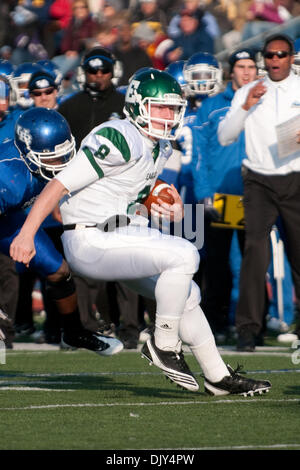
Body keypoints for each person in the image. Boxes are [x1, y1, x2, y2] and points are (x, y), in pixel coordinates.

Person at [10, 68, 271, 396]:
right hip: (90, 238)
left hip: (120, 233)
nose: (168, 115)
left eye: (172, 108)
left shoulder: (158, 146)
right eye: (159, 107)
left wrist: (160, 192)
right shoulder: (119, 135)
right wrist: (26, 233)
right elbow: (59, 185)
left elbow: (129, 182)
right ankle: (163, 344)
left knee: (187, 294)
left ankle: (218, 377)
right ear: (136, 105)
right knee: (184, 254)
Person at [0, 106, 123, 355]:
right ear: (27, 152)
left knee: (58, 271)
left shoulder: (41, 160)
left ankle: (73, 332)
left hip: (9, 216)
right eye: (52, 159)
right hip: (6, 211)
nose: (61, 164)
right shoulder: (7, 176)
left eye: (65, 155)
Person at [218, 33, 300, 352]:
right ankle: (248, 330)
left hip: (295, 177)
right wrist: (245, 107)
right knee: (254, 254)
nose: (275, 60)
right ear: (264, 58)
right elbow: (225, 135)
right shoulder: (249, 91)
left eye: (281, 54)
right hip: (258, 180)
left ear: (291, 57)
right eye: (270, 55)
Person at [58, 46, 141, 348]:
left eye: (103, 70)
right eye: (92, 71)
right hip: (82, 194)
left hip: (120, 194)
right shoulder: (69, 107)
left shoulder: (125, 104)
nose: (98, 76)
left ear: (112, 71)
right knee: (82, 263)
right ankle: (86, 327)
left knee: (127, 257)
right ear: (84, 73)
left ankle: (130, 327)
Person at [192, 49, 258, 341]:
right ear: (231, 71)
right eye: (241, 67)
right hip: (221, 195)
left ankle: (251, 327)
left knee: (253, 264)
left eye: (251, 67)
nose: (246, 72)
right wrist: (204, 192)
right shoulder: (211, 107)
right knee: (217, 265)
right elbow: (199, 153)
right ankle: (215, 325)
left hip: (257, 195)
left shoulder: (266, 103)